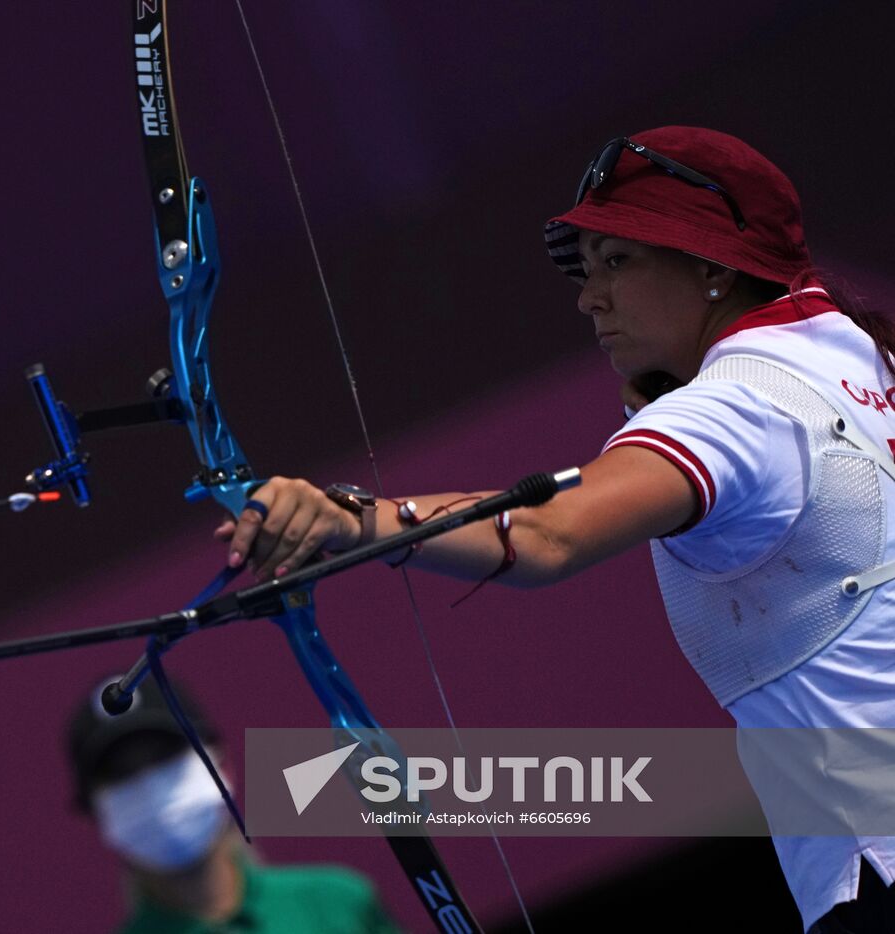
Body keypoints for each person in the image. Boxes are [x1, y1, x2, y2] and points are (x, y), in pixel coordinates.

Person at [216, 127, 895, 933]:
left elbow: (546, 535)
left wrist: (347, 520)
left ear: (714, 266)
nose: (588, 295)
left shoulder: (735, 408)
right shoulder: (850, 353)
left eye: (618, 261)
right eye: (588, 264)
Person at [66, 675, 402, 933]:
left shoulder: (338, 904)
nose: (153, 787)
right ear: (94, 817)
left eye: (165, 757)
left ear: (223, 765)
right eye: (123, 775)